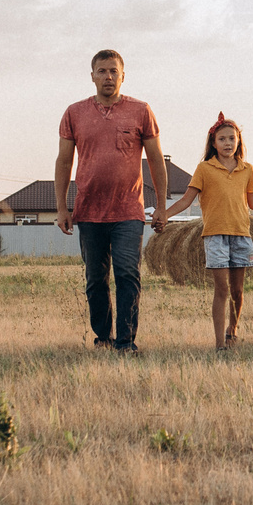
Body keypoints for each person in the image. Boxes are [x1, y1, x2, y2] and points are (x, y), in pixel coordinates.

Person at [54, 49, 167, 352]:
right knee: (95, 279)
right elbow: (64, 161)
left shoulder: (141, 111)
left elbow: (156, 159)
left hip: (129, 211)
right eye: (102, 71)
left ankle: (126, 342)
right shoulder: (74, 113)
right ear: (92, 76)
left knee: (128, 274)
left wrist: (162, 207)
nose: (108, 76)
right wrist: (62, 207)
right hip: (89, 212)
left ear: (123, 76)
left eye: (113, 71)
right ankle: (103, 337)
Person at [159, 113, 253, 349]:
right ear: (213, 143)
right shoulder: (204, 168)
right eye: (222, 139)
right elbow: (186, 200)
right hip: (215, 236)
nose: (228, 143)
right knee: (222, 289)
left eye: (232, 138)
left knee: (237, 291)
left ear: (238, 141)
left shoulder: (247, 169)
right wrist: (165, 214)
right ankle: (219, 344)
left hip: (241, 235)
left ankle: (232, 330)